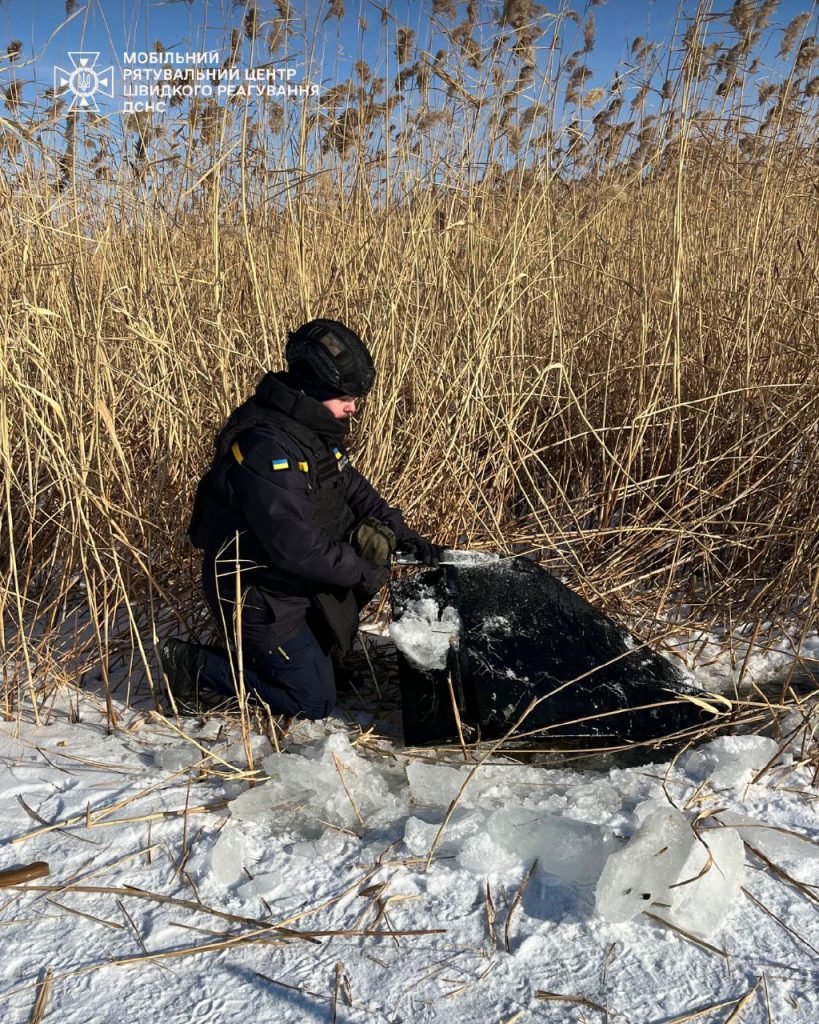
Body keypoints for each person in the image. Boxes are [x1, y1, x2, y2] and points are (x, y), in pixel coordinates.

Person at [159, 318, 443, 719]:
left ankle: (308, 659)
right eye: (344, 397)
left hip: (292, 585)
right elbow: (297, 548)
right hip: (255, 593)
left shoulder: (309, 431)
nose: (353, 407)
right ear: (313, 390)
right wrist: (364, 566)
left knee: (365, 562)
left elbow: (354, 491)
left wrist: (405, 537)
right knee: (313, 702)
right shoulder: (265, 447)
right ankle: (193, 664)